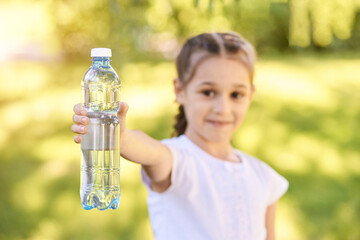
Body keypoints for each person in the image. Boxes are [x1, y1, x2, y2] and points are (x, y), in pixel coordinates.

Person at [71, 32, 289, 240]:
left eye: (236, 95)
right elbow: (152, 152)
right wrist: (121, 138)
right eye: (208, 92)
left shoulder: (264, 177)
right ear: (180, 90)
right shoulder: (178, 161)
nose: (222, 108)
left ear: (250, 95)